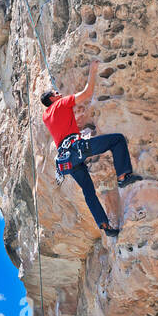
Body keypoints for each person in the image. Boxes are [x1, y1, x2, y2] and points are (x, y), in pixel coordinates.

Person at [41, 60, 142, 237]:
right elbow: (87, 93)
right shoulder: (61, 103)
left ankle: (104, 225)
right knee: (117, 140)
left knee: (88, 192)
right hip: (77, 148)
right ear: (52, 98)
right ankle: (123, 176)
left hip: (66, 159)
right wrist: (93, 70)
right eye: (56, 93)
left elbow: (59, 118)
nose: (59, 93)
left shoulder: (46, 116)